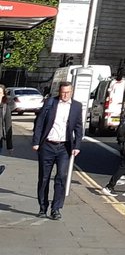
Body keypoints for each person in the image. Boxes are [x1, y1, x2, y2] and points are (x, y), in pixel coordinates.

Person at [31, 80, 84, 219]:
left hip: (64, 147)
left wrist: (77, 146)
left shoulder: (77, 106)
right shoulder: (50, 102)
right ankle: (43, 208)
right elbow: (40, 123)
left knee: (61, 177)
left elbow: (79, 127)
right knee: (43, 178)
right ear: (59, 92)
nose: (65, 95)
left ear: (71, 92)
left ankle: (56, 209)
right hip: (47, 146)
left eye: (67, 92)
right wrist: (36, 142)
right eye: (62, 92)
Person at [0, 85, 12, 174]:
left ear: (3, 94)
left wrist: (9, 145)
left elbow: (8, 126)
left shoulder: (5, 107)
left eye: (0, 93)